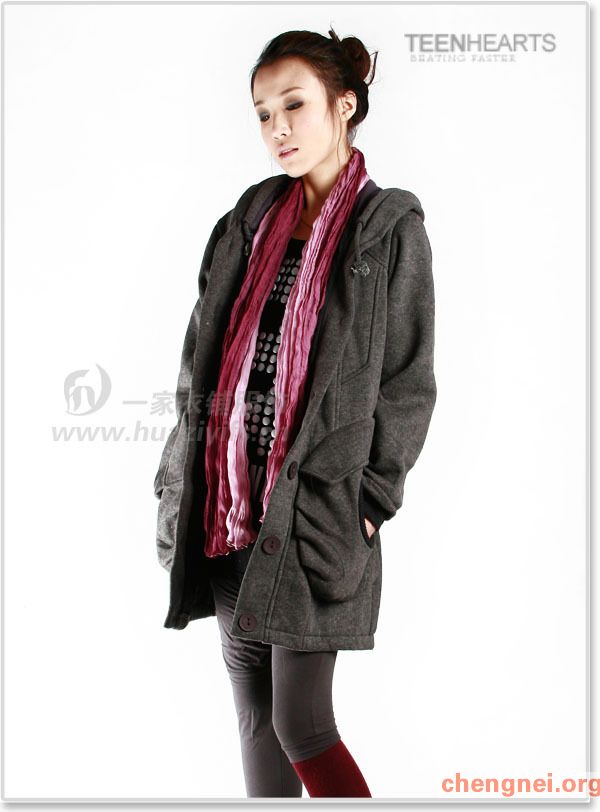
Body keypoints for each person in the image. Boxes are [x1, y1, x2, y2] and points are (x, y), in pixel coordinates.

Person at [153, 26, 437, 799]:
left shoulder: (388, 231)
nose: (278, 127)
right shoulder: (247, 220)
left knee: (302, 724)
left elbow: (408, 382)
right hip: (228, 504)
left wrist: (371, 501)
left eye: (295, 105)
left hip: (314, 515)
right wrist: (179, 475)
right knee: (254, 716)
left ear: (344, 105)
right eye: (263, 113)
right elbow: (198, 361)